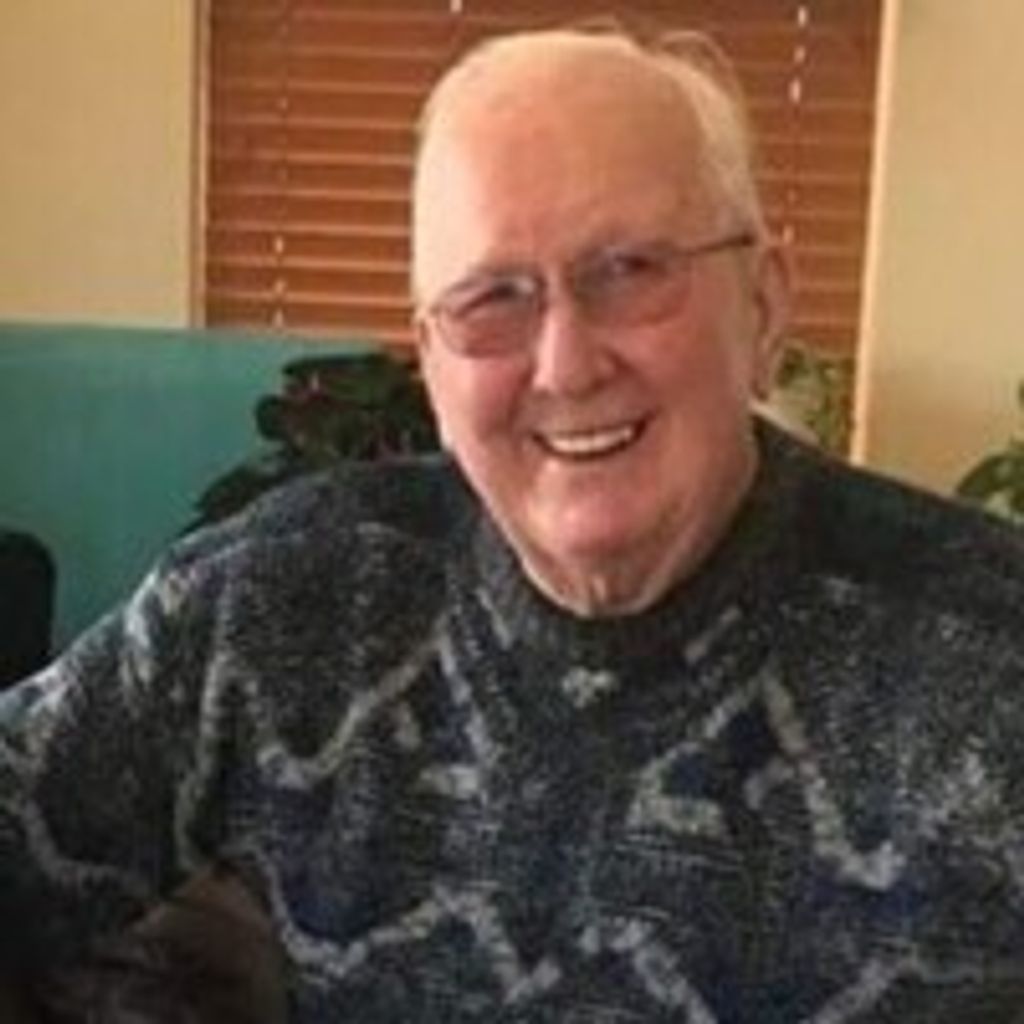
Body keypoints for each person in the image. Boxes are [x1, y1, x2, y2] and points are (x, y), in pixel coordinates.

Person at [3, 22, 1024, 1024]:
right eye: (492, 298)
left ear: (762, 305)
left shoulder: (987, 655)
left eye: (630, 270)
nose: (566, 364)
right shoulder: (284, 600)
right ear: (432, 363)